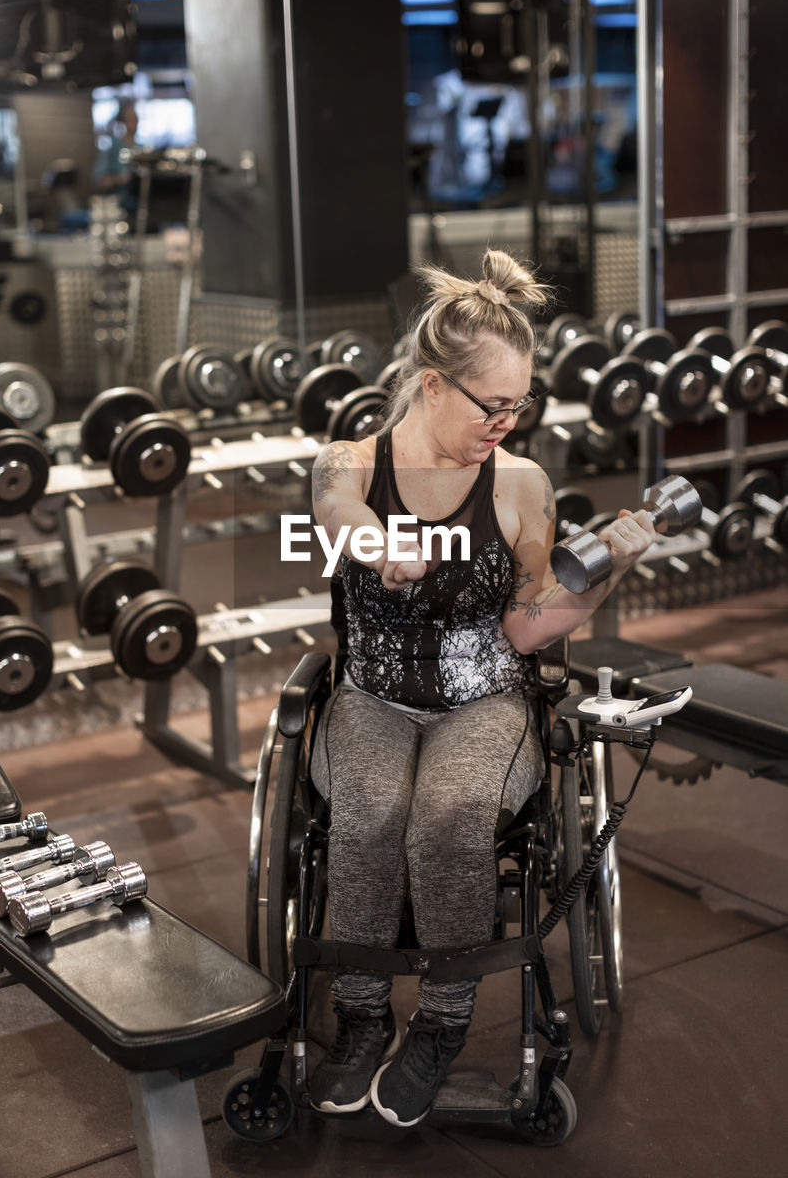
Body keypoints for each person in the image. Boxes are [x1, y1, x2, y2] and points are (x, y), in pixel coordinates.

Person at [306, 248, 656, 1127]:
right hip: (373, 696)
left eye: (519, 404)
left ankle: (440, 1024)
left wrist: (605, 569)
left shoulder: (521, 484)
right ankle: (357, 1019)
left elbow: (527, 623)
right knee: (370, 813)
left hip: (484, 699)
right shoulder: (347, 462)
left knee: (448, 817)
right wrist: (381, 545)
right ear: (431, 386)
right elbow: (338, 520)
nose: (507, 420)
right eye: (490, 404)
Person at [92, 99, 140, 214]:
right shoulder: (112, 150)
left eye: (135, 120)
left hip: (142, 207)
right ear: (123, 122)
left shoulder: (143, 151)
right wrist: (119, 180)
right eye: (130, 120)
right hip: (120, 208)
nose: (133, 124)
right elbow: (98, 181)